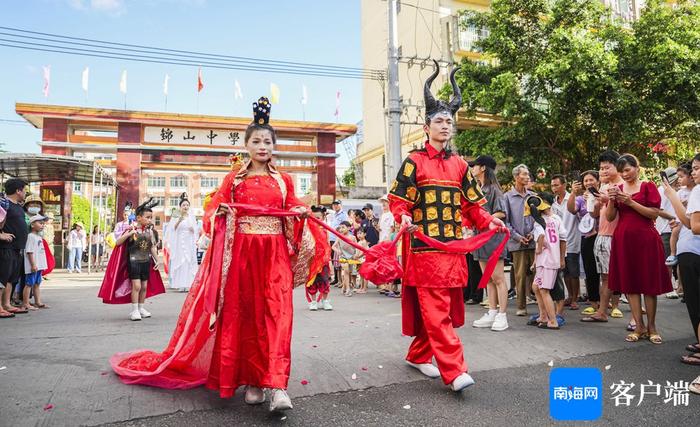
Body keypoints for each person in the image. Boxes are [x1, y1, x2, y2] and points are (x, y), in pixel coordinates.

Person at [109, 97, 330, 412]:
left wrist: (298, 212)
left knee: (276, 316)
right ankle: (252, 381)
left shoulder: (284, 181)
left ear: (274, 146)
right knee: (244, 317)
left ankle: (278, 385)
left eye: (268, 141)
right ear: (247, 145)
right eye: (256, 141)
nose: (262, 146)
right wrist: (221, 211)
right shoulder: (234, 180)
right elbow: (212, 214)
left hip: (274, 256)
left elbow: (294, 208)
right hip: (241, 255)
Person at [388, 61, 505, 391]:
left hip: (453, 249)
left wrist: (489, 221)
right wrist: (403, 217)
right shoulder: (414, 160)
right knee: (438, 309)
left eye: (449, 122)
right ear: (427, 127)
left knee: (443, 309)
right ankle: (454, 371)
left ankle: (418, 355)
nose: (445, 125)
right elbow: (399, 201)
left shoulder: (460, 165)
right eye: (439, 121)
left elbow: (472, 206)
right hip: (425, 248)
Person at [606, 154, 672, 344]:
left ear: (637, 167)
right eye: (621, 172)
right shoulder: (617, 189)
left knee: (649, 285)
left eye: (627, 170)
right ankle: (639, 326)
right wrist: (612, 200)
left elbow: (653, 214)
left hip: (646, 240)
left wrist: (630, 202)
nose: (625, 174)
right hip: (623, 240)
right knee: (630, 284)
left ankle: (652, 327)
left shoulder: (648, 186)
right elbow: (610, 218)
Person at [661, 154, 700, 367]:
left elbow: (692, 225)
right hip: (690, 250)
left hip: (692, 252)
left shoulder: (698, 191)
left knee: (696, 305)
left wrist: (672, 197)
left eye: (696, 168)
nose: (693, 173)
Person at [582, 150, 624, 323]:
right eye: (601, 168)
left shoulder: (624, 185)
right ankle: (602, 311)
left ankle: (634, 316)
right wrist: (593, 201)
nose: (604, 171)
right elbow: (594, 215)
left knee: (625, 275)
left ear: (618, 166)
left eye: (607, 167)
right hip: (602, 235)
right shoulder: (604, 187)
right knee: (605, 277)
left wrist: (609, 199)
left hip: (618, 236)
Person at [469, 155, 509, 331]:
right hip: (479, 238)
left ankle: (502, 315)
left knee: (498, 278)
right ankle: (492, 312)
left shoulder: (494, 189)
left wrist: (485, 219)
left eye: (475, 166)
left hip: (493, 238)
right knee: (488, 279)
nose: (472, 169)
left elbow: (501, 213)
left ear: (483, 168)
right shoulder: (477, 189)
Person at [110, 199, 162, 321]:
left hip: (146, 262)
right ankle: (134, 310)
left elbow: (152, 247)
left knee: (144, 286)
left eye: (151, 218)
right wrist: (128, 234)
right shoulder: (130, 229)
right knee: (137, 286)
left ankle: (141, 308)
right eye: (147, 217)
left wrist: (157, 260)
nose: (150, 220)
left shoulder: (150, 231)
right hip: (133, 262)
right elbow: (117, 242)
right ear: (138, 218)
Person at [526, 195, 566, 330]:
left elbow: (541, 237)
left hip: (546, 260)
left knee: (544, 289)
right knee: (536, 287)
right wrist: (561, 258)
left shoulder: (539, 222)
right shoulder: (556, 219)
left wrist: (538, 249)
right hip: (548, 260)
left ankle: (552, 320)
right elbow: (563, 239)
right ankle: (543, 315)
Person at [504, 164, 536, 316]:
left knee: (538, 272)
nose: (528, 176)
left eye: (528, 173)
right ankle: (521, 306)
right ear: (516, 177)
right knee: (520, 275)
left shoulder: (533, 196)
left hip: (534, 240)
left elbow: (539, 218)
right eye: (524, 174)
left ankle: (544, 303)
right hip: (517, 242)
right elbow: (506, 222)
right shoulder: (507, 197)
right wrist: (517, 236)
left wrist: (533, 233)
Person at [567, 170, 601, 314]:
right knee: (590, 270)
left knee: (607, 270)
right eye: (585, 181)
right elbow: (571, 210)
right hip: (586, 237)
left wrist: (593, 199)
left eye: (591, 180)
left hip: (602, 235)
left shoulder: (602, 195)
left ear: (598, 181)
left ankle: (613, 302)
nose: (588, 183)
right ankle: (594, 303)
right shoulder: (581, 198)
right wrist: (573, 193)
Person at [550, 175, 582, 310]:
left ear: (564, 185)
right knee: (565, 271)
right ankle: (570, 296)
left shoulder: (573, 198)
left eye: (556, 185)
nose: (554, 188)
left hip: (573, 239)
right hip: (559, 242)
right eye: (552, 186)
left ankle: (575, 297)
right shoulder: (553, 202)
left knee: (574, 272)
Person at [0, 178, 29, 318]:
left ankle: (6, 304)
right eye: (24, 190)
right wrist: (1, 234)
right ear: (18, 191)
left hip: (17, 248)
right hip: (6, 247)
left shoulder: (17, 205)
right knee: (2, 278)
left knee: (12, 278)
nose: (25, 193)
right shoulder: (3, 204)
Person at [166, 193, 199, 292]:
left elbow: (195, 231)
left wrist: (192, 229)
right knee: (181, 261)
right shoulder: (176, 214)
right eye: (184, 205)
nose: (186, 207)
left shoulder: (191, 216)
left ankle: (188, 284)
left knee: (189, 261)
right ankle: (180, 284)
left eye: (187, 205)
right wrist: (179, 221)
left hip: (189, 241)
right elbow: (172, 229)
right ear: (180, 206)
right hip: (179, 241)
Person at [655, 168, 681, 298]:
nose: (678, 181)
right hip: (665, 230)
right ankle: (668, 287)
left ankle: (678, 287)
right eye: (676, 179)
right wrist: (674, 218)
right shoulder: (661, 191)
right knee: (668, 261)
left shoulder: (677, 191)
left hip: (679, 229)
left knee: (678, 260)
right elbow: (658, 210)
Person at [306, 206, 333, 311]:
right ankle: (313, 302)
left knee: (325, 281)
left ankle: (325, 301)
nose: (317, 220)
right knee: (312, 282)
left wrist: (329, 260)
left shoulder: (326, 230)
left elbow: (328, 246)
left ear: (323, 218)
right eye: (314, 218)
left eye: (319, 218)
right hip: (312, 260)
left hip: (323, 261)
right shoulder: (308, 230)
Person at [22, 214, 49, 310]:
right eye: (40, 223)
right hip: (33, 266)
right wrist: (33, 265)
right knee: (29, 284)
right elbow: (29, 251)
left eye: (43, 223)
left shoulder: (38, 237)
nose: (42, 225)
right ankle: (25, 303)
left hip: (39, 265)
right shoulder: (30, 236)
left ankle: (38, 302)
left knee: (37, 283)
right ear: (32, 225)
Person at [333, 221, 358, 297]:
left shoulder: (353, 237)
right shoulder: (339, 236)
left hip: (351, 257)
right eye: (340, 227)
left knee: (349, 273)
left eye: (343, 227)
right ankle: (348, 289)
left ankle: (344, 286)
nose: (341, 229)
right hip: (343, 256)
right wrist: (338, 251)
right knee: (346, 271)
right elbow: (333, 246)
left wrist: (356, 255)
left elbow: (357, 247)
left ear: (349, 228)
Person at [329, 200, 348, 285]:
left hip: (339, 239)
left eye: (337, 204)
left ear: (341, 205)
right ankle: (336, 278)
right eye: (334, 205)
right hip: (332, 238)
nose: (335, 206)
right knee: (334, 259)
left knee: (340, 260)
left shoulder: (343, 214)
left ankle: (341, 280)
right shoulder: (333, 214)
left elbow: (345, 227)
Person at [354, 228, 369, 293]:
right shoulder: (359, 242)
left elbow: (365, 252)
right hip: (360, 260)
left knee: (365, 275)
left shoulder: (364, 242)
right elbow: (358, 251)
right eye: (358, 233)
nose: (359, 235)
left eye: (360, 233)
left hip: (364, 259)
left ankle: (365, 288)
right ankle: (361, 287)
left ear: (365, 234)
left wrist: (358, 256)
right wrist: (355, 256)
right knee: (361, 275)